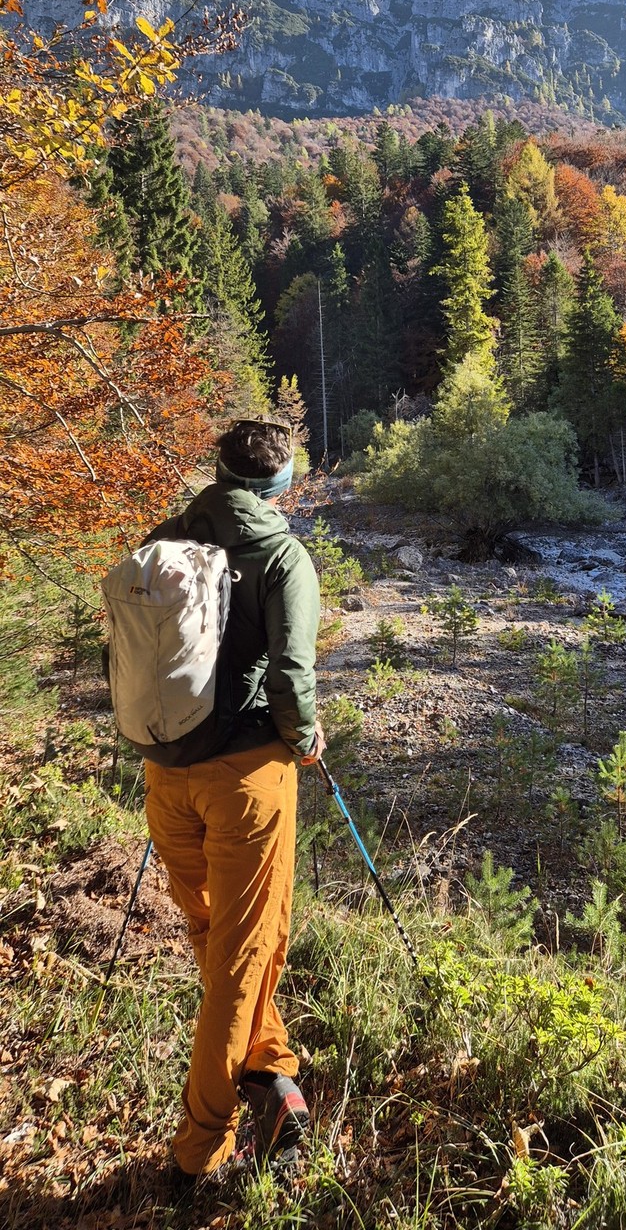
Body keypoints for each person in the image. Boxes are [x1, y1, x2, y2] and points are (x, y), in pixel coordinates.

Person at [139, 419, 322, 1196]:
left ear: (217, 473)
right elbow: (290, 677)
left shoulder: (166, 538)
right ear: (281, 486)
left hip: (165, 774)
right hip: (247, 776)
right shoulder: (282, 555)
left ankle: (269, 1066)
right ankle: (198, 1149)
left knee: (217, 937)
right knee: (245, 953)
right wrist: (306, 737)